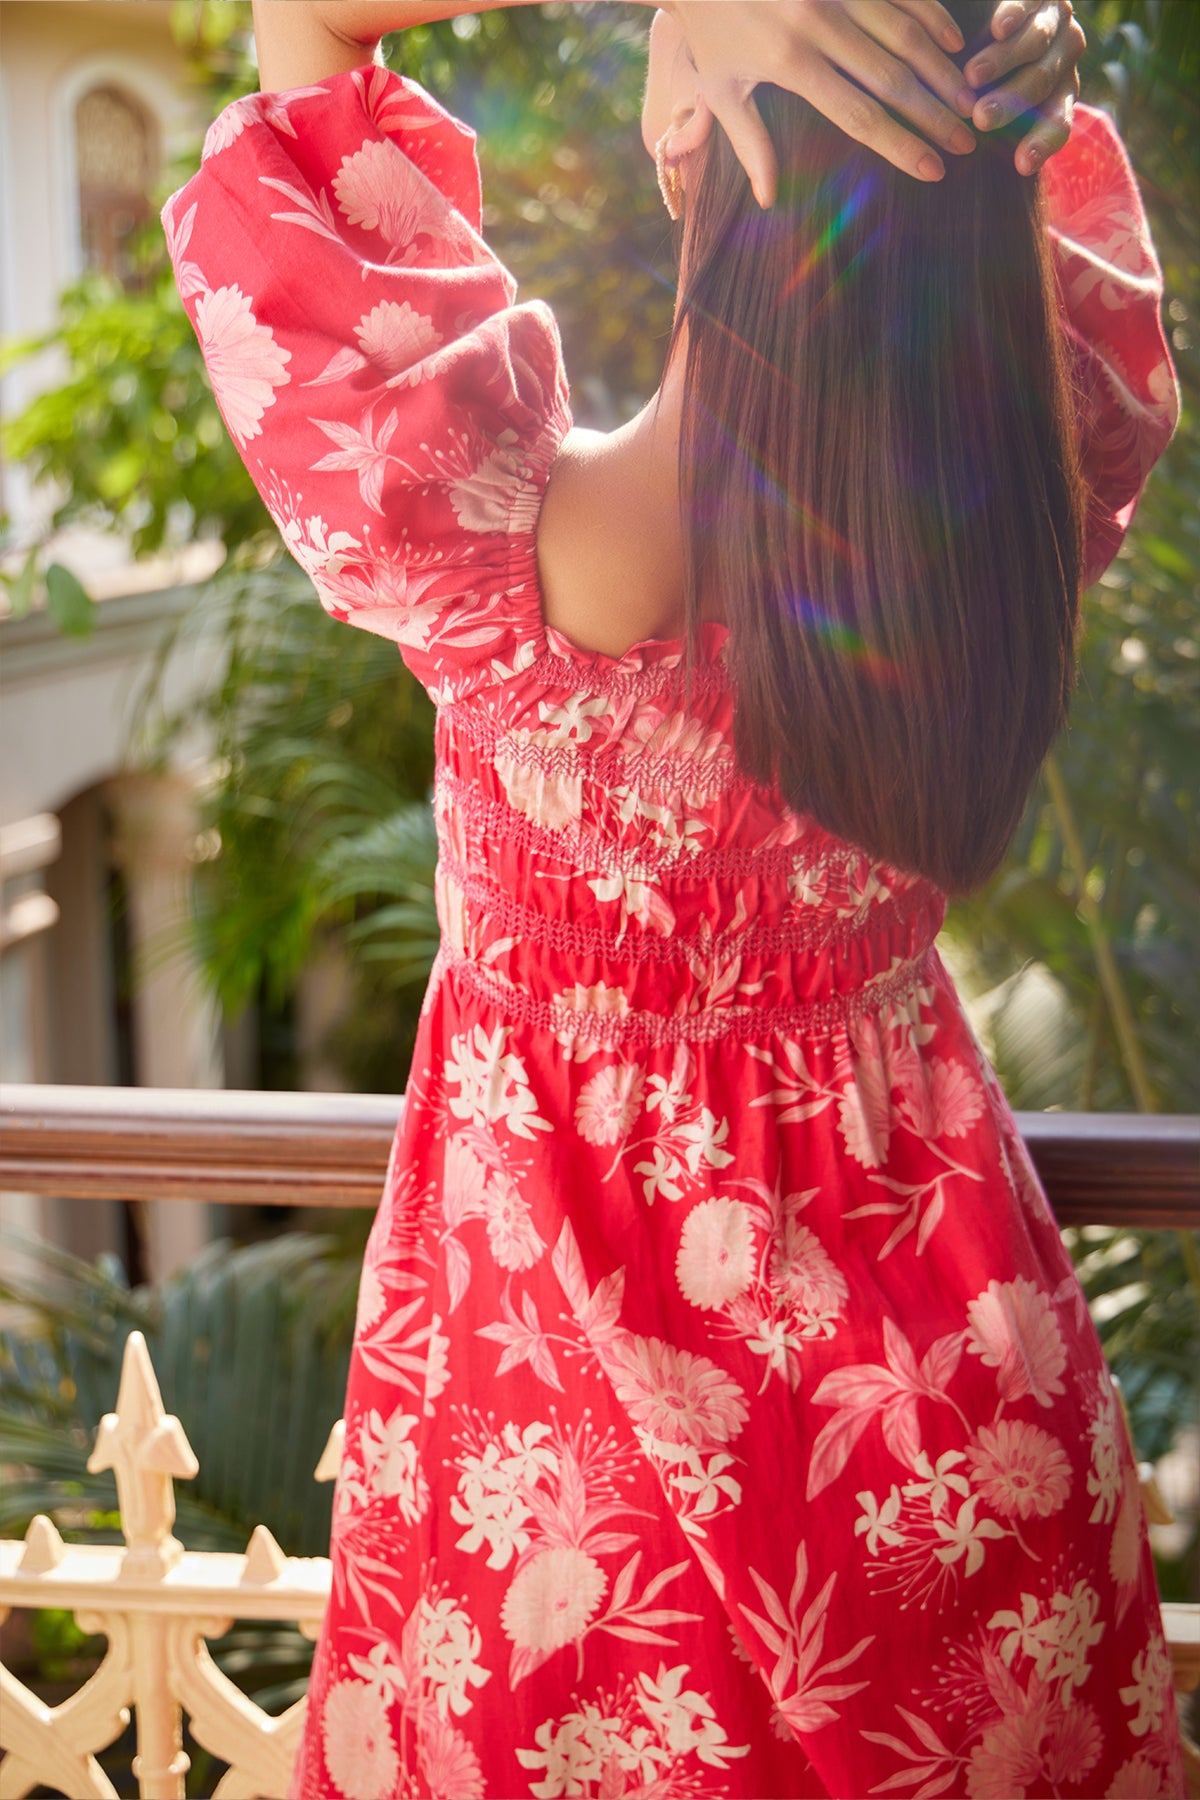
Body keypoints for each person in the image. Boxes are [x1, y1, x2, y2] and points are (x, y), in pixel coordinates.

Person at [165, 0, 1184, 1793]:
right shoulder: (1037, 493)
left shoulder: (490, 542)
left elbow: (302, 24)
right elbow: (1054, 256)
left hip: (566, 1509)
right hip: (961, 1445)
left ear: (703, 144)